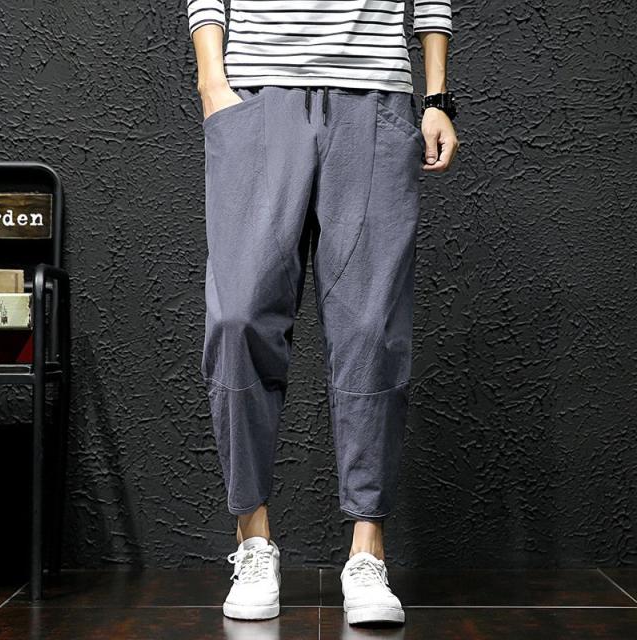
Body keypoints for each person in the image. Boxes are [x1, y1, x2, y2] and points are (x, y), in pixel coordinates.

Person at [187, 0, 458, 626]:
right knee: (238, 318)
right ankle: (253, 541)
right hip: (255, 91)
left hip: (374, 93)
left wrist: (437, 97)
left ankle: (367, 551)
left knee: (371, 327)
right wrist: (211, 82)